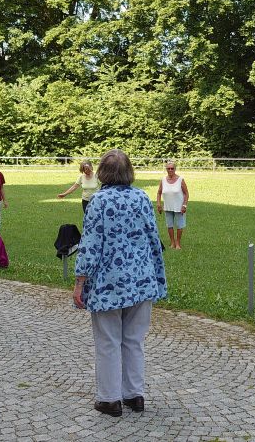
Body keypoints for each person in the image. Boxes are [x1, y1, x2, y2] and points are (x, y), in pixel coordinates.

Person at [74, 149, 167, 417]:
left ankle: (109, 399)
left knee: (108, 341)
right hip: (141, 280)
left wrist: (80, 282)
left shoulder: (99, 202)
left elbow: (90, 246)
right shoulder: (141, 197)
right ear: (129, 172)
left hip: (108, 284)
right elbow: (154, 241)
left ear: (102, 172)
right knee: (134, 340)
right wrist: (157, 277)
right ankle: (134, 395)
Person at [156, 160, 189, 249]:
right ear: (166, 169)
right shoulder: (163, 180)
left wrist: (184, 205)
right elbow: (159, 193)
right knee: (169, 225)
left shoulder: (180, 179)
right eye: (168, 168)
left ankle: (178, 243)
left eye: (172, 168)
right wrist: (159, 204)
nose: (170, 170)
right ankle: (172, 242)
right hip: (167, 207)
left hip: (179, 207)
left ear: (175, 169)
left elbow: (186, 193)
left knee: (179, 225)